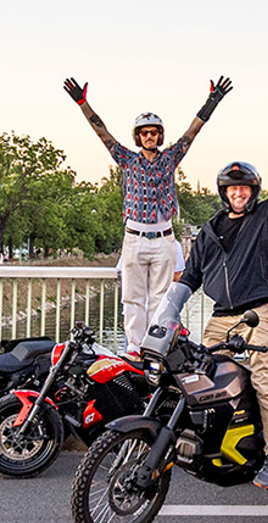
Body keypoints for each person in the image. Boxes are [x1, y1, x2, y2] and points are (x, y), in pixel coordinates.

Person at [160, 128, 268, 491]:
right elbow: (192, 275)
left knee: (262, 379)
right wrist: (169, 310)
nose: (238, 194)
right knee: (203, 378)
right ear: (224, 193)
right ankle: (224, 443)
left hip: (258, 312)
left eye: (244, 188)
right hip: (221, 317)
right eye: (232, 189)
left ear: (253, 192)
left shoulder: (264, 218)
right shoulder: (210, 231)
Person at [64, 75, 232, 352]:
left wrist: (212, 101)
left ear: (160, 135)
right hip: (134, 236)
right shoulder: (127, 160)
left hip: (163, 236)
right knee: (132, 298)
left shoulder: (169, 159)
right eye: (145, 132)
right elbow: (102, 133)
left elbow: (192, 133)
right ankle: (133, 349)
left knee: (160, 298)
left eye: (154, 132)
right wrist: (83, 103)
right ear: (138, 137)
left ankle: (154, 347)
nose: (150, 136)